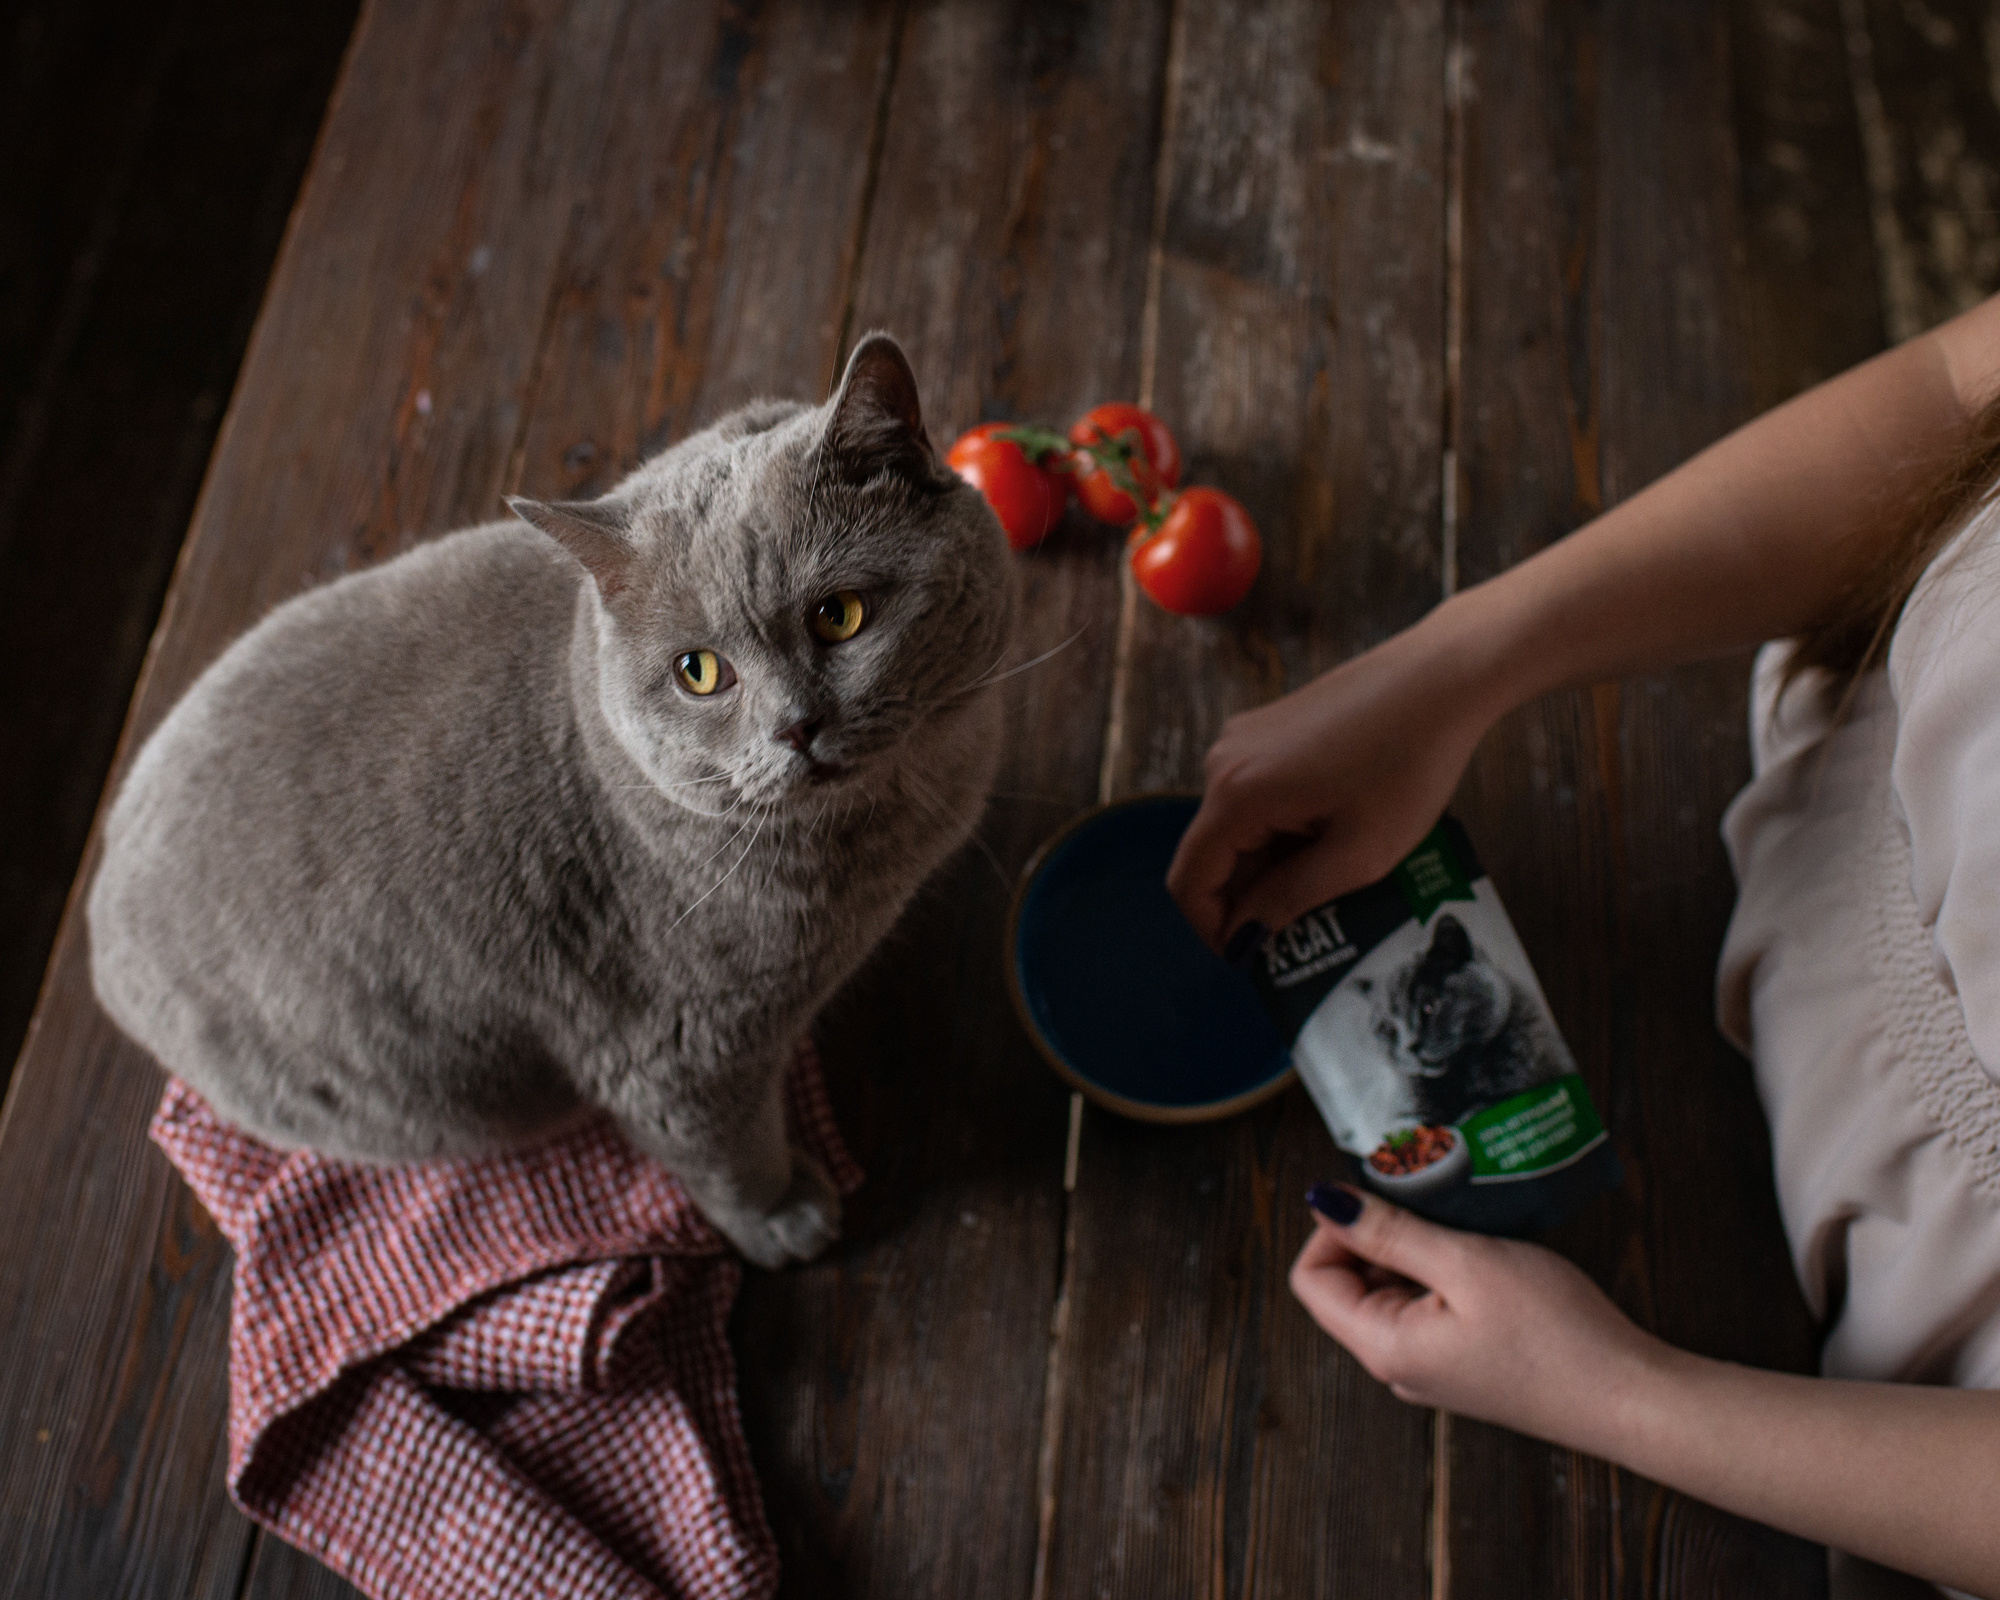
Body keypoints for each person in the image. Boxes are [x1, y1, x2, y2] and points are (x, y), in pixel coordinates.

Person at [1167, 291, 2000, 1600]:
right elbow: (1966, 390)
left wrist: (1614, 1396)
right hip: (1799, 836)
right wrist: (1458, 664)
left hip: (1886, 1414)